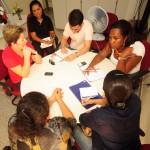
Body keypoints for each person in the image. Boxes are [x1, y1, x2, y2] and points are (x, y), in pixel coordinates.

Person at [73, 70, 142, 150]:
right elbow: (118, 103)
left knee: (73, 125)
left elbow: (82, 118)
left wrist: (91, 112)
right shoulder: (136, 100)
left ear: (105, 94)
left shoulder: (99, 116)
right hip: (133, 146)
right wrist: (92, 101)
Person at [8, 88, 75, 150]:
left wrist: (51, 99)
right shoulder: (57, 129)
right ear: (48, 115)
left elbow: (32, 112)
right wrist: (59, 99)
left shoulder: (13, 122)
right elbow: (72, 121)